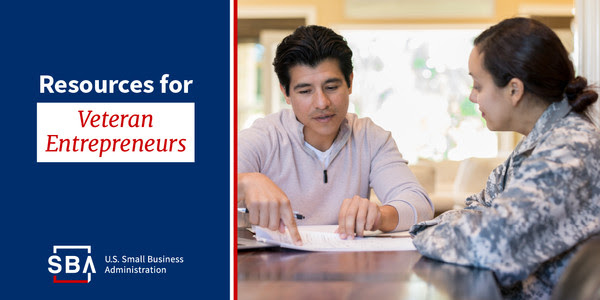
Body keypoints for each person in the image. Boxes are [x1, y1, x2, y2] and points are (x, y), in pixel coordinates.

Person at [409, 17, 600, 300]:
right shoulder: (537, 144)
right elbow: (478, 207)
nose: (473, 97)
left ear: (514, 90)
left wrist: (425, 231)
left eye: (478, 85)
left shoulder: (570, 149)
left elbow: (491, 246)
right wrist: (468, 225)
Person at [238, 25, 433, 245]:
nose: (322, 103)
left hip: (347, 268)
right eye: (305, 91)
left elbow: (420, 205)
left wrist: (379, 216)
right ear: (286, 93)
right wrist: (244, 182)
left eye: (331, 87)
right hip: (273, 271)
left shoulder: (371, 138)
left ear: (349, 82)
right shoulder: (265, 136)